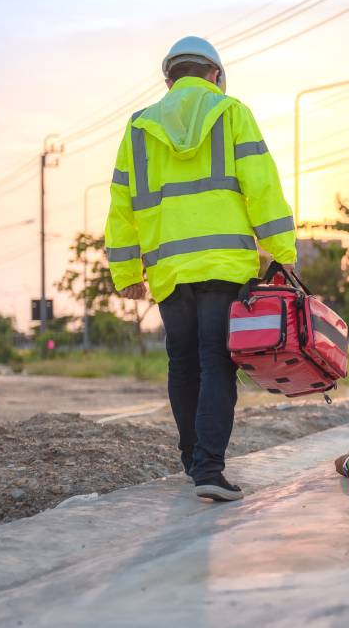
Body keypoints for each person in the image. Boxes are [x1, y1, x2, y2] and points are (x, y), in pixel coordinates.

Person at [105, 36, 296, 502]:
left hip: (169, 268)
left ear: (169, 79)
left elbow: (122, 203)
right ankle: (209, 469)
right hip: (224, 263)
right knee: (216, 361)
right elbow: (262, 185)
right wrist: (281, 249)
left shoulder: (139, 127)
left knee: (182, 361)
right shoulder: (231, 113)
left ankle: (193, 461)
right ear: (214, 75)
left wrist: (127, 270)